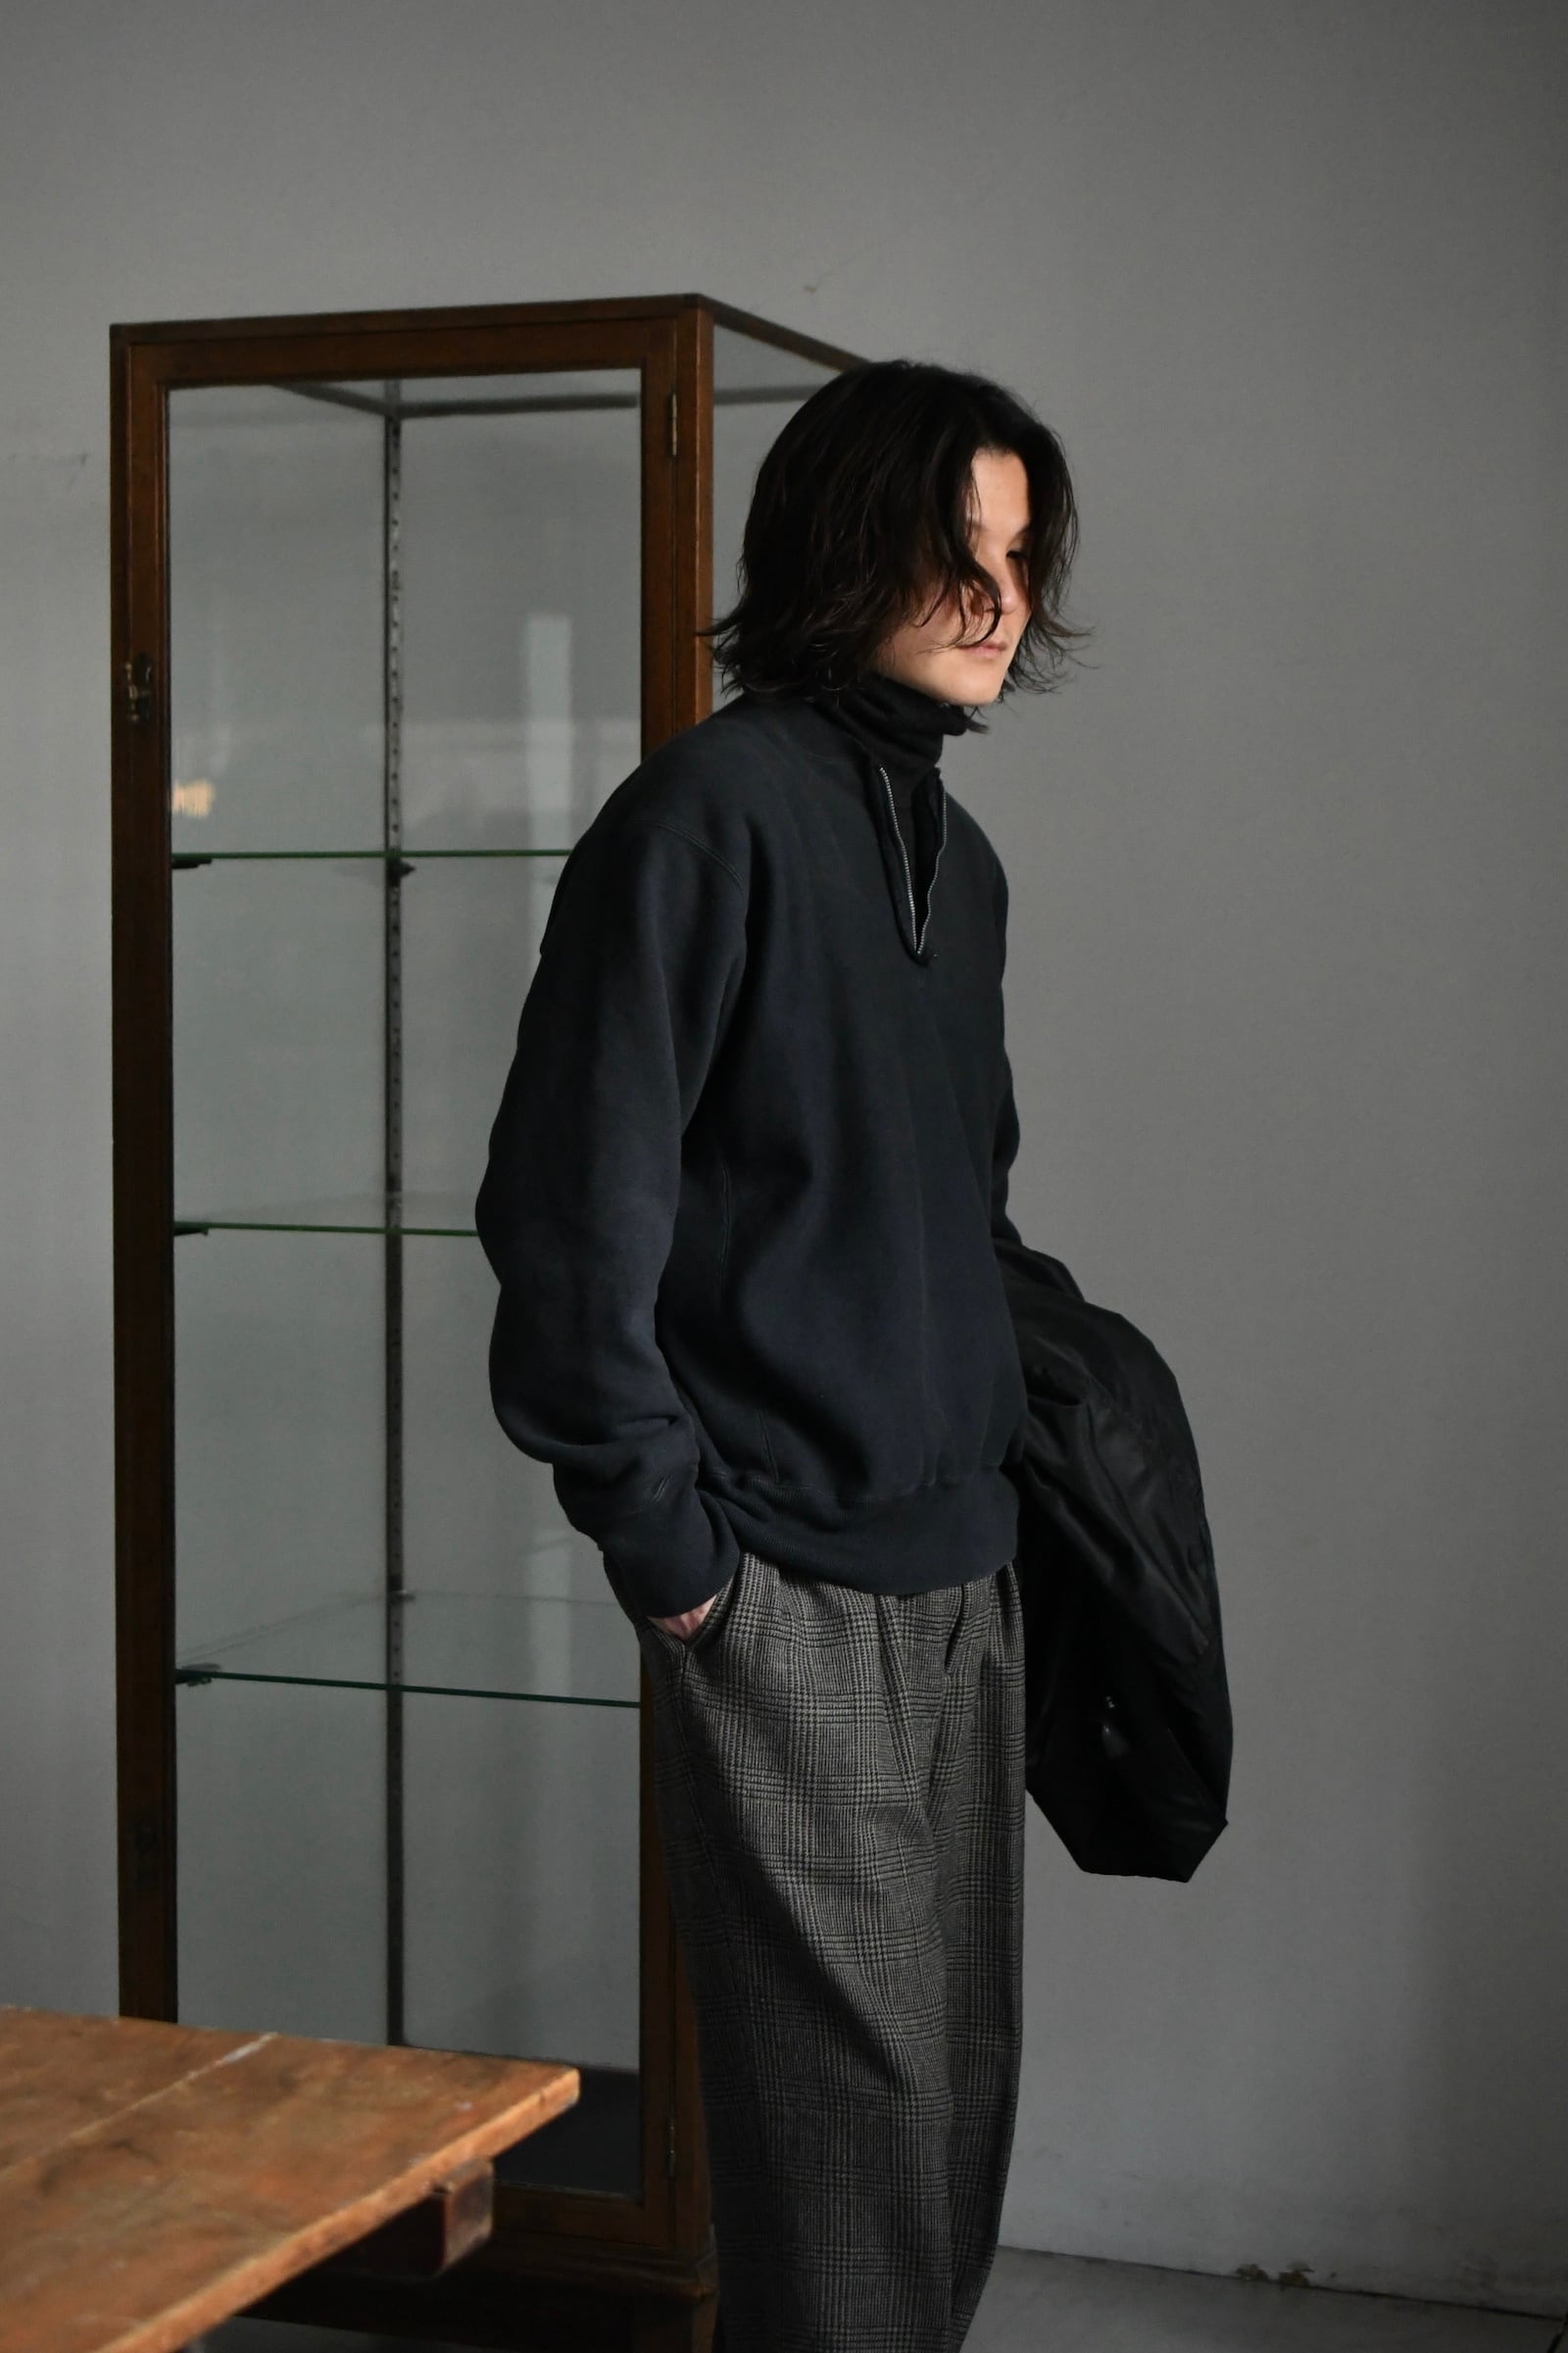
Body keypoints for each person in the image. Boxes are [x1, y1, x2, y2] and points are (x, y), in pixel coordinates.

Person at [474, 359, 1084, 2353]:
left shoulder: (960, 867)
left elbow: (962, 1207)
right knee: (845, 2150)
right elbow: (568, 1209)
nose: (996, 596)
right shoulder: (701, 816)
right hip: (781, 1580)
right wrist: (675, 1556)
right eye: (955, 546)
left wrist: (1055, 1432)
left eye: (1019, 554)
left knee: (946, 2124)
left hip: (966, 1572)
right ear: (841, 548)